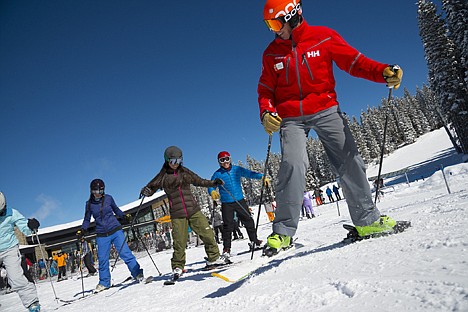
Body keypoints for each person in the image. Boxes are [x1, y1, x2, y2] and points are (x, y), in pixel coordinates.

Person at [258, 0, 403, 250]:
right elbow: (265, 89)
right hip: (290, 116)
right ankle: (283, 233)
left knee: (350, 159)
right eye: (268, 24)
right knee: (293, 164)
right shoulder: (271, 53)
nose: (273, 30)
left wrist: (382, 72)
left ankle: (367, 220)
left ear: (292, 16)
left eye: (275, 23)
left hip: (326, 109)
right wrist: (266, 112)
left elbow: (355, 62)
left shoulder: (323, 36)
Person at [140, 146, 228, 280]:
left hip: (193, 209)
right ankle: (178, 266)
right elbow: (151, 187)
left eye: (178, 160)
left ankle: (214, 258)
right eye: (173, 160)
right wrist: (146, 190)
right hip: (177, 213)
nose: (176, 164)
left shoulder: (185, 172)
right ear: (167, 160)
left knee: (208, 233)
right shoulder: (162, 176)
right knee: (179, 242)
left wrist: (213, 183)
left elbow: (200, 181)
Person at [79, 179, 144, 293]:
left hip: (115, 229)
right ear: (91, 191)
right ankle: (104, 282)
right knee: (102, 259)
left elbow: (116, 210)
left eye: (100, 190)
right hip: (101, 234)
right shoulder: (89, 204)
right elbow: (87, 219)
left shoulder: (108, 198)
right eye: (95, 190)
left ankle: (137, 273)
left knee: (125, 253)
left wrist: (124, 217)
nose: (98, 193)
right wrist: (83, 229)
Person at [208, 151, 267, 258]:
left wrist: (261, 177)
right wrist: (212, 192)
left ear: (230, 159)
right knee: (228, 226)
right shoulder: (217, 174)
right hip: (227, 203)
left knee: (248, 220)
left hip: (239, 200)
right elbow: (211, 185)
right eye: (222, 160)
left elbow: (249, 174)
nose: (225, 162)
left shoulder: (237, 169)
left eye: (227, 159)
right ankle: (226, 249)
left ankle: (254, 241)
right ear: (219, 162)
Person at [0, 191, 41, 311]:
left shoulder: (11, 213)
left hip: (9, 249)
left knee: (16, 278)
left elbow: (26, 229)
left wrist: (32, 226)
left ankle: (32, 303)